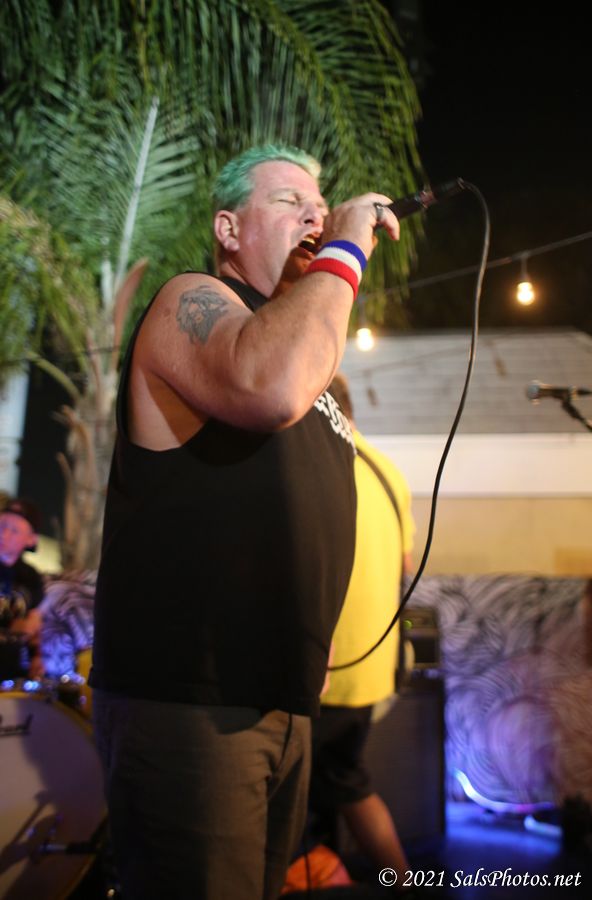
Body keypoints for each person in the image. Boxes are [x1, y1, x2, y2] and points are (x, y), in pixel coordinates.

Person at [89, 143, 400, 900]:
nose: (316, 216)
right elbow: (269, 386)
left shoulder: (309, 359)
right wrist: (347, 246)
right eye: (291, 202)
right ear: (228, 229)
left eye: (321, 207)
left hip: (283, 699)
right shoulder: (189, 302)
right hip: (193, 700)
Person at [310, 373, 416, 892]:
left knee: (292, 795)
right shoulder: (387, 469)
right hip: (376, 669)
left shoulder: (317, 462)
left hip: (329, 670)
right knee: (344, 781)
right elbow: (406, 562)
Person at [0, 496, 45, 678]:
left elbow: (34, 622)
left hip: (13, 672)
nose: (3, 535)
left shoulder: (31, 577)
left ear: (31, 540)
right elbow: (19, 626)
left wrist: (37, 657)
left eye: (14, 530)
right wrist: (12, 626)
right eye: (2, 526)